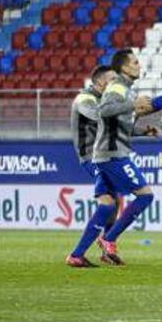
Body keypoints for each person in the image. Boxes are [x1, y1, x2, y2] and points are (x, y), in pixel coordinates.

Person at [88, 49, 156, 266]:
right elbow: (104, 111)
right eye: (135, 62)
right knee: (145, 195)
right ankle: (109, 239)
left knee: (111, 203)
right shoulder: (118, 86)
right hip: (112, 154)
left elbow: (118, 124)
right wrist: (133, 105)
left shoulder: (125, 89)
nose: (139, 65)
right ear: (124, 67)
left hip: (111, 152)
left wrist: (142, 131)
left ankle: (91, 252)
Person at [65, 65, 119, 267]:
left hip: (105, 156)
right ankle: (76, 254)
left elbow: (116, 126)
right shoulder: (85, 99)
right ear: (99, 83)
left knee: (116, 200)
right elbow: (101, 117)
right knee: (107, 203)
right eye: (112, 80)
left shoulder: (104, 100)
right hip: (91, 157)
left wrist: (142, 130)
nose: (115, 85)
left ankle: (107, 247)